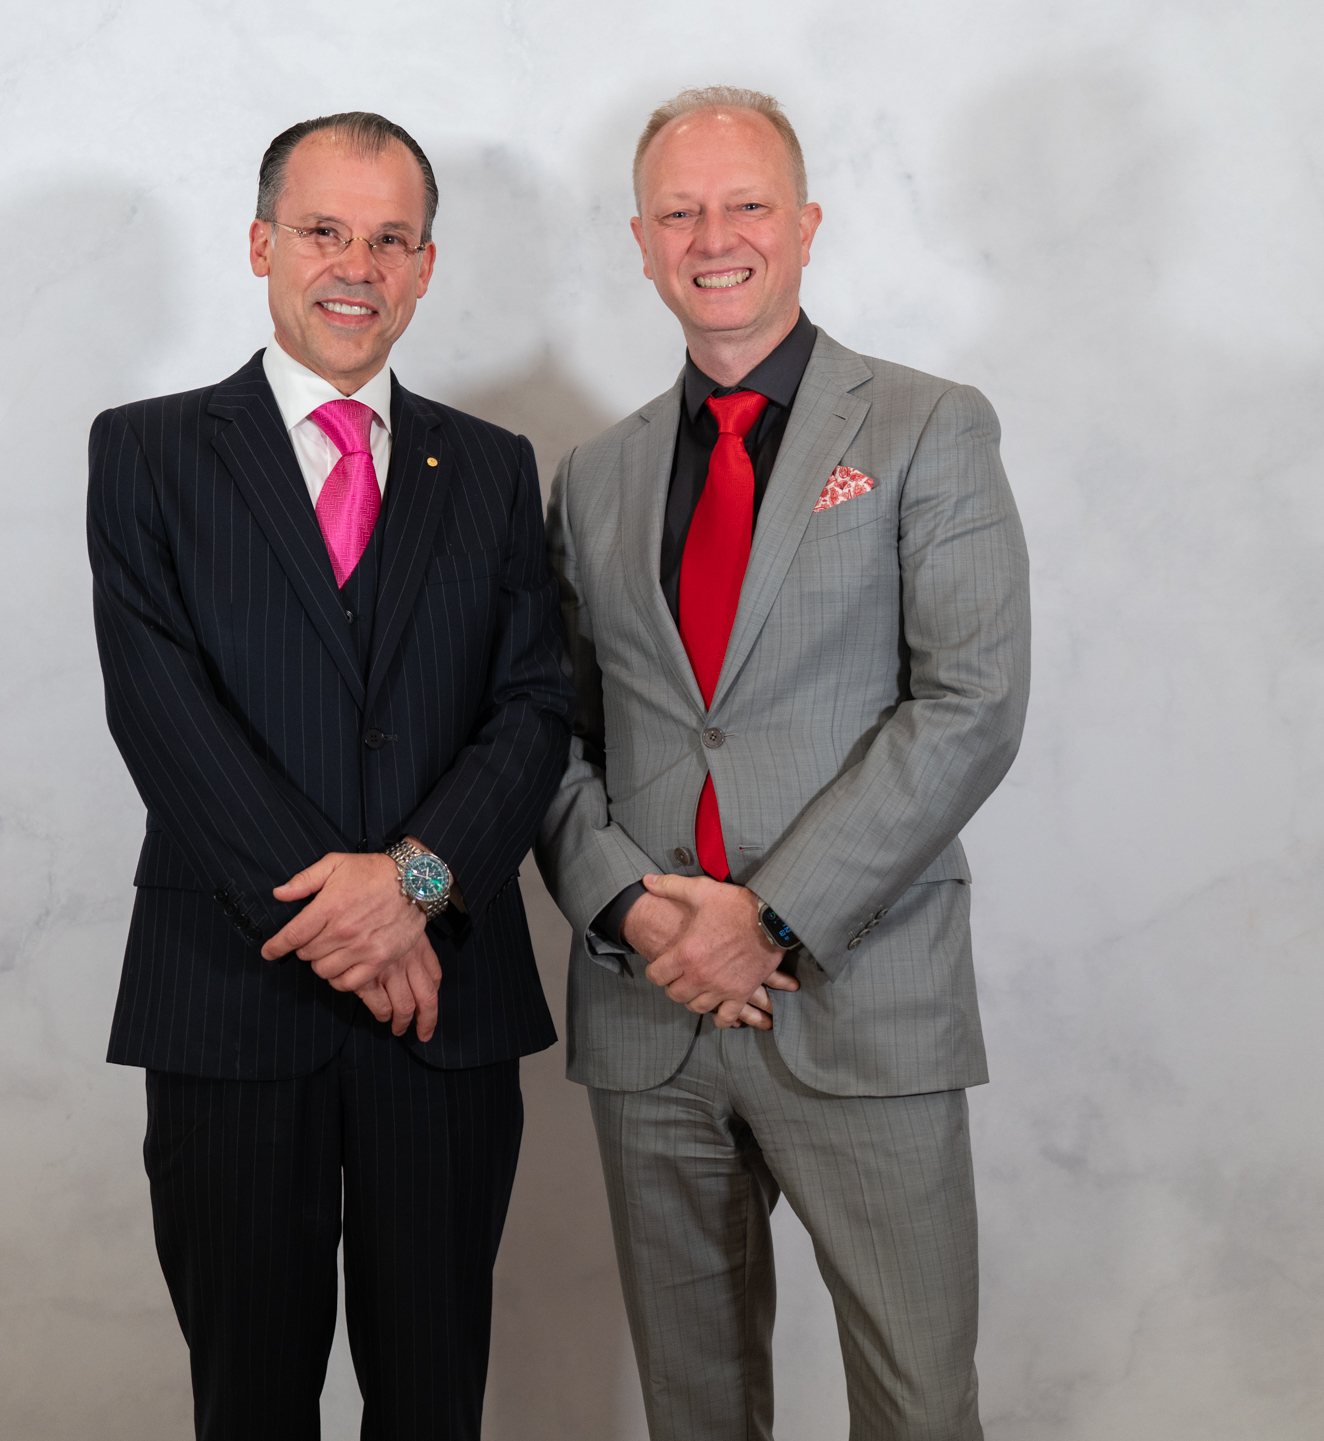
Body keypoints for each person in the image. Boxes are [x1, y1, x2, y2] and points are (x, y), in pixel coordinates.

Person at [536, 86, 1031, 1440]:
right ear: (642, 242)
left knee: (920, 1408)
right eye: (680, 212)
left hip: (861, 999)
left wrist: (770, 917)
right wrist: (634, 911)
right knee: (694, 1414)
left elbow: (972, 703)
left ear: (805, 224)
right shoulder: (594, 476)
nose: (715, 238)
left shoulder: (929, 426)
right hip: (649, 1011)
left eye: (746, 204)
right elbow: (550, 732)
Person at [86, 111, 571, 1441]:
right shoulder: (148, 452)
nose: (356, 266)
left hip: (444, 1007)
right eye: (323, 231)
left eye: (390, 239)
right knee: (249, 1403)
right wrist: (346, 919)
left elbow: (534, 707)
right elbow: (160, 710)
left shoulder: (491, 470)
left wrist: (414, 884)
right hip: (231, 999)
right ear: (261, 245)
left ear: (426, 267)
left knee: (433, 1403)